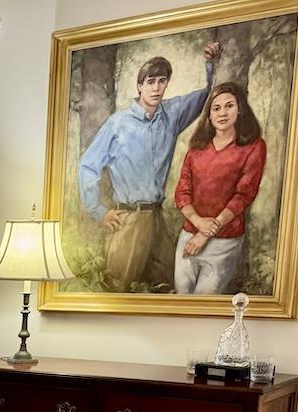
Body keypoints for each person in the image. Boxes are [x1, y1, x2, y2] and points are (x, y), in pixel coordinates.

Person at [78, 41, 222, 292]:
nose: (156, 88)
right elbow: (88, 166)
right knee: (117, 292)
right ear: (140, 86)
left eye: (162, 81)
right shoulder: (118, 124)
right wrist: (99, 212)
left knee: (167, 287)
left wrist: (210, 66)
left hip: (157, 219)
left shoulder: (172, 114)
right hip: (129, 220)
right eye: (151, 82)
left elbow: (204, 98)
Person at [173, 82, 267, 295]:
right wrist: (198, 224)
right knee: (182, 297)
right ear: (209, 114)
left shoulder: (254, 147)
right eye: (216, 108)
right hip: (189, 236)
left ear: (240, 108)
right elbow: (182, 192)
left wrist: (206, 234)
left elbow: (243, 196)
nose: (222, 113)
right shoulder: (196, 149)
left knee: (203, 304)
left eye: (229, 106)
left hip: (225, 241)